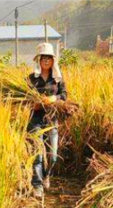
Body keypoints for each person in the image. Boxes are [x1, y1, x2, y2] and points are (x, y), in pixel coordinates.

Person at [28, 43, 71, 198]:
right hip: (36, 120)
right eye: (43, 58)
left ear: (53, 60)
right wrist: (35, 104)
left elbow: (64, 95)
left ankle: (46, 175)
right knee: (38, 155)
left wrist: (54, 98)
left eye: (49, 58)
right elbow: (25, 99)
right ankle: (37, 185)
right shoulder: (32, 78)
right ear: (38, 60)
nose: (46, 60)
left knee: (52, 156)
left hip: (52, 120)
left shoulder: (57, 78)